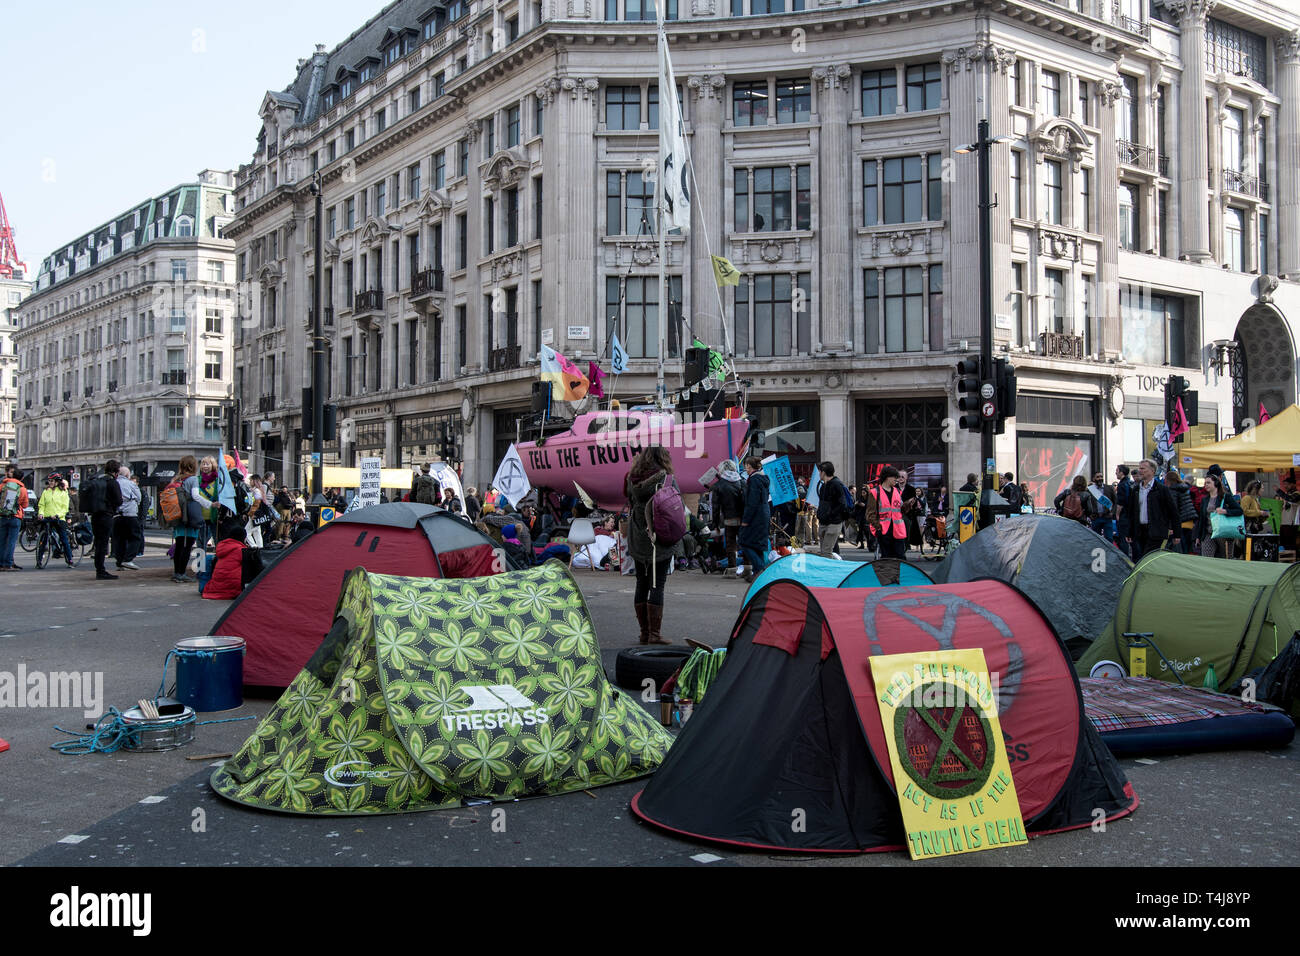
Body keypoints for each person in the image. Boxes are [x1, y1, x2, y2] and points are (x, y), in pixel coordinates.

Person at [625, 446, 678, 645]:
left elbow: (629, 500)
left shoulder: (632, 478)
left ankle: (644, 633)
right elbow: (676, 503)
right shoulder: (666, 479)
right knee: (657, 584)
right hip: (659, 536)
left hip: (638, 535)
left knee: (641, 582)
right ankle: (655, 634)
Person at [1125, 459, 1177, 562]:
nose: (1140, 471)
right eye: (1139, 468)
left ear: (1152, 471)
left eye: (1143, 468)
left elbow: (1173, 511)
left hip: (1156, 531)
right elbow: (1131, 512)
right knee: (1141, 556)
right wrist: (1129, 532)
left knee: (1148, 558)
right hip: (1140, 530)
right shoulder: (1135, 489)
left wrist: (1177, 532)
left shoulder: (1162, 489)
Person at [81, 460, 123, 580]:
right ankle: (101, 570)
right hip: (106, 515)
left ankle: (99, 568)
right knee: (103, 543)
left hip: (95, 515)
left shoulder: (98, 481)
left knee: (98, 542)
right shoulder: (112, 483)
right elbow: (119, 500)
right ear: (116, 472)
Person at [738, 456, 771, 582]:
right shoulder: (763, 478)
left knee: (744, 541)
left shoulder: (754, 480)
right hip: (763, 513)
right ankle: (758, 573)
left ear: (749, 466)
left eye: (746, 465)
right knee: (757, 544)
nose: (745, 468)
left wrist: (746, 520)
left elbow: (752, 502)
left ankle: (761, 569)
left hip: (755, 516)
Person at [710, 460, 745, 575]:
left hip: (729, 519)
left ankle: (731, 570)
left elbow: (715, 508)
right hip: (743, 518)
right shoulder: (742, 482)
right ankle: (748, 569)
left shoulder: (718, 485)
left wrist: (715, 525)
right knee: (744, 543)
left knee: (731, 544)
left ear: (722, 470)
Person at [171, 456, 203, 583]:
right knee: (188, 545)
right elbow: (195, 496)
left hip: (178, 516)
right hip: (190, 516)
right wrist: (210, 504)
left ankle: (176, 572)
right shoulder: (193, 479)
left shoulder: (176, 479)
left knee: (179, 545)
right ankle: (181, 573)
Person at [865, 466, 908, 559]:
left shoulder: (897, 491)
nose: (897, 480)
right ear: (888, 477)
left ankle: (899, 574)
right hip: (884, 531)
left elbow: (900, 510)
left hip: (898, 530)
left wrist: (907, 505)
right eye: (895, 477)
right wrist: (878, 528)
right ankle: (888, 574)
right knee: (886, 559)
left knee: (901, 557)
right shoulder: (875, 492)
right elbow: (870, 515)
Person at [1199, 472, 1242, 559]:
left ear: (1216, 483)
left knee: (1225, 557)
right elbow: (1202, 518)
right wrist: (1198, 536)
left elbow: (1239, 511)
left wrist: (1225, 511)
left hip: (1223, 532)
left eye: (1208, 483)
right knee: (1207, 558)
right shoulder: (1205, 499)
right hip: (1208, 532)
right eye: (1205, 483)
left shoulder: (1226, 497)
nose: (1206, 485)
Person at [37, 475, 75, 568]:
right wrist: (41, 513)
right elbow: (41, 505)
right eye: (49, 481)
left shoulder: (63, 493)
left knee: (64, 539)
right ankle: (39, 561)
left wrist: (58, 515)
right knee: (44, 539)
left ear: (57, 482)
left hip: (59, 518)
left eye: (52, 481)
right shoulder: (46, 492)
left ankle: (69, 559)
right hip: (47, 517)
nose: (50, 483)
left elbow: (65, 508)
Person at [815, 461, 850, 557]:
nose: (819, 474)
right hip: (824, 522)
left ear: (824, 472)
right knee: (824, 552)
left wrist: (830, 514)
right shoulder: (823, 486)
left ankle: (833, 570)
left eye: (819, 471)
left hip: (833, 522)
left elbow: (842, 504)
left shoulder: (836, 484)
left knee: (826, 552)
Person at [0, 465, 31, 571]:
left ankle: (1, 563)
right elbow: (25, 505)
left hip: (2, 516)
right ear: (22, 478)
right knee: (11, 542)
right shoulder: (22, 488)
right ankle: (8, 564)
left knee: (2, 541)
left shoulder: (3, 485)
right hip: (15, 516)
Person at [113, 466, 142, 571]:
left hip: (117, 515)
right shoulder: (131, 484)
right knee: (135, 537)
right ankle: (128, 559)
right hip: (130, 514)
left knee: (119, 539)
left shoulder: (114, 483)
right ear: (127, 475)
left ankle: (120, 562)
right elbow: (139, 497)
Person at [1165, 469, 1198, 553]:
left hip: (1180, 523)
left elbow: (1173, 510)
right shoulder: (1183, 489)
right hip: (1189, 522)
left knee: (1179, 549)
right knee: (1186, 548)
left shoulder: (1173, 491)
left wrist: (1171, 526)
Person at [898, 469, 923, 547]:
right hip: (896, 514)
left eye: (902, 477)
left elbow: (915, 503)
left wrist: (910, 504)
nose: (901, 478)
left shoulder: (911, 489)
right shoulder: (894, 488)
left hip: (908, 514)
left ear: (906, 478)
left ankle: (906, 544)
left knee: (907, 529)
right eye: (899, 477)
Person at [1113, 464, 1133, 557]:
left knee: (1123, 539)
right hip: (1130, 514)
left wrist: (1117, 514)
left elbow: (1121, 502)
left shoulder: (1122, 484)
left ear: (1121, 472)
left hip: (1124, 516)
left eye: (1117, 471)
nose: (1115, 473)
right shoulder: (1130, 483)